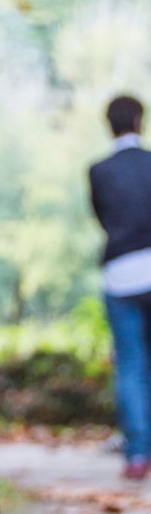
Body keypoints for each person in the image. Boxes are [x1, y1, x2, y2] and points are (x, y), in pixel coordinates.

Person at [89, 95, 151, 480]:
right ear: (140, 121)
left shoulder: (99, 171)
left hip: (121, 274)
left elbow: (101, 216)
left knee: (130, 364)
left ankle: (137, 453)